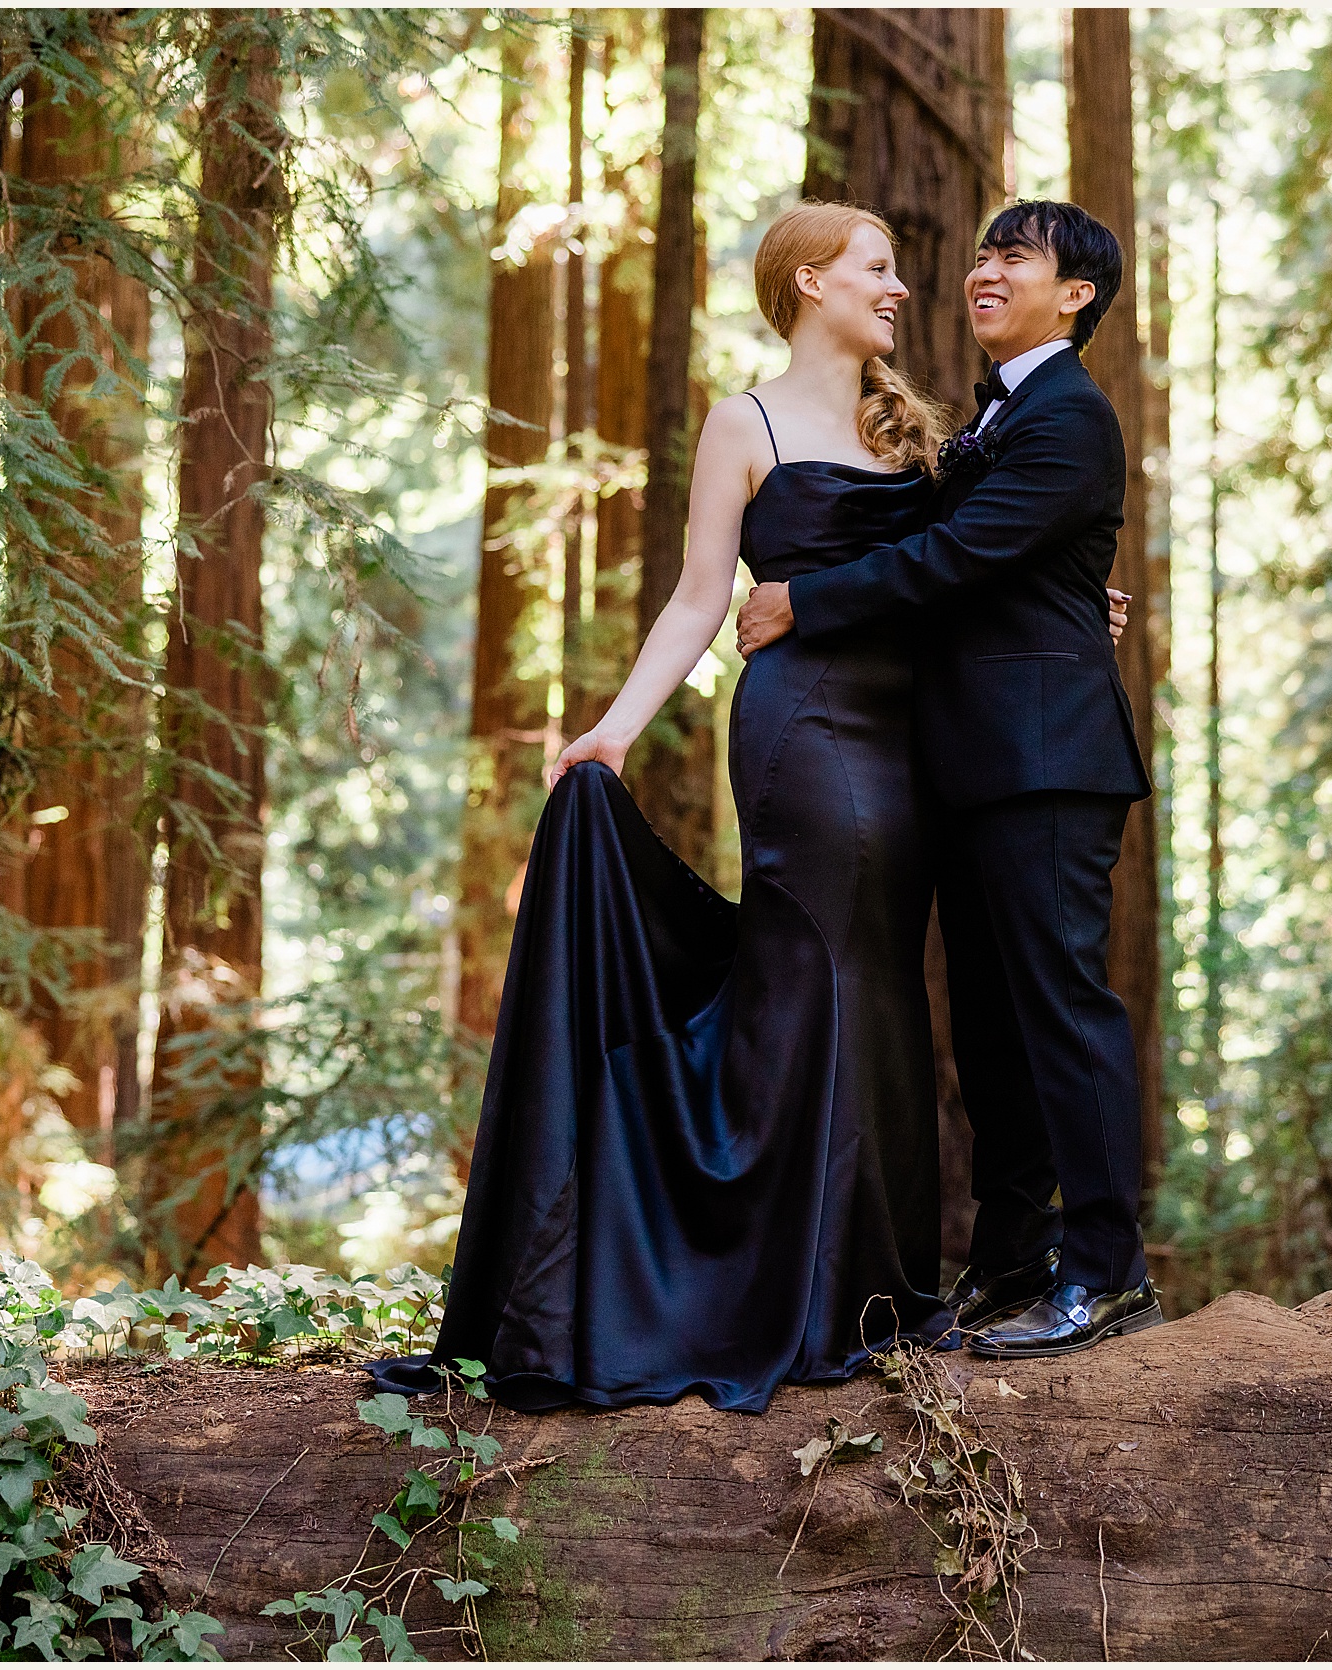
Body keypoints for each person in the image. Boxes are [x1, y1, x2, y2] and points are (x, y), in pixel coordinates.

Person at [366, 202, 1125, 1411]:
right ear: (811, 280)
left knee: (879, 987)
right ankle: (768, 1279)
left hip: (915, 748)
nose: (900, 289)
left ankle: (869, 1284)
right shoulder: (747, 420)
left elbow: (981, 563)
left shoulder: (919, 424)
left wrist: (1083, 613)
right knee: (815, 967)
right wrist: (616, 724)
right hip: (805, 732)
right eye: (877, 269)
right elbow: (694, 598)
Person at [735, 200, 1162, 1359]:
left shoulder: (1069, 415)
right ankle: (1009, 1258)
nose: (982, 271)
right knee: (990, 1029)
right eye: (981, 253)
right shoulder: (991, 418)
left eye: (1013, 258)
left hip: (1047, 757)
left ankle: (1110, 1269)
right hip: (970, 760)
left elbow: (960, 555)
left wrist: (803, 598)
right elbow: (991, 552)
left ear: (1073, 295)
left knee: (1061, 1013)